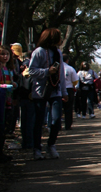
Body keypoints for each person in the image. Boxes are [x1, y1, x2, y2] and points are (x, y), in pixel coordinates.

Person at [28, 28, 68, 159]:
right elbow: (31, 71)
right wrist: (46, 72)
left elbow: (61, 73)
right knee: (39, 121)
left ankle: (51, 144)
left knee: (56, 120)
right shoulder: (38, 52)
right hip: (41, 91)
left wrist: (64, 91)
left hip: (55, 90)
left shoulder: (58, 53)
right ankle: (37, 148)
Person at [62, 56, 78, 130]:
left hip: (58, 90)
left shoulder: (57, 68)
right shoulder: (70, 68)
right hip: (68, 89)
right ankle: (68, 125)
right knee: (68, 108)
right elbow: (75, 80)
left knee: (58, 108)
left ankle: (57, 125)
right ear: (67, 60)